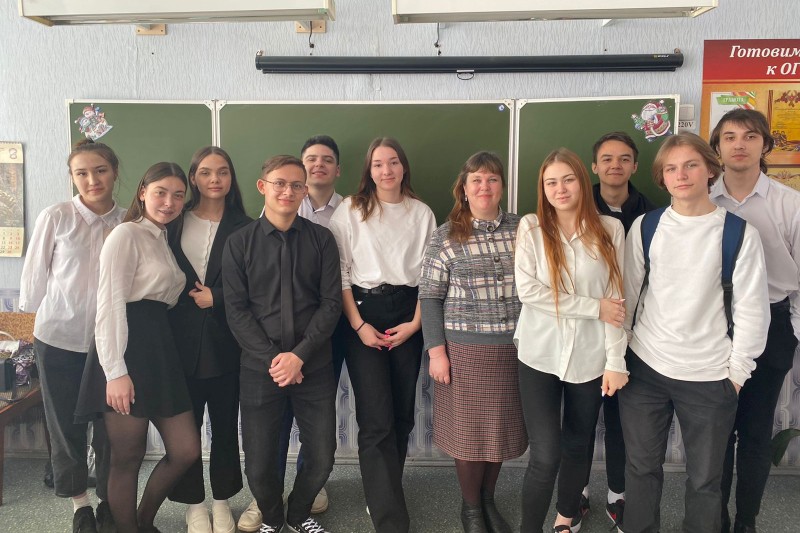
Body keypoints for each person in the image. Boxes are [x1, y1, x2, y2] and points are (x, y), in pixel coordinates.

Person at [619, 133, 770, 533]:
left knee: (705, 481)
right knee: (640, 470)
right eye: (671, 168)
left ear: (710, 170)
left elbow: (752, 311)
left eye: (690, 165)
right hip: (646, 368)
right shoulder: (646, 227)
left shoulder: (739, 233)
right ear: (662, 177)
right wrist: (619, 356)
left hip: (710, 375)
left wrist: (736, 374)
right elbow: (627, 298)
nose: (681, 175)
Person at [75, 162, 201, 533]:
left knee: (186, 450)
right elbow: (110, 304)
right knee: (127, 456)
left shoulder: (163, 239)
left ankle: (143, 520)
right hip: (127, 349)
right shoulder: (125, 234)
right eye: (161, 192)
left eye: (178, 195)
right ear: (143, 192)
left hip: (160, 350)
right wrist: (115, 372)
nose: (169, 202)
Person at [223, 155, 342, 533]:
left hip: (314, 365)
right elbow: (236, 311)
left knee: (322, 456)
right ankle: (273, 520)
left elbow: (331, 304)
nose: (287, 191)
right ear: (263, 187)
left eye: (296, 185)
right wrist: (277, 359)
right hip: (261, 368)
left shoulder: (322, 239)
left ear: (305, 190)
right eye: (279, 183)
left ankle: (298, 514)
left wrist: (299, 356)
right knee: (258, 464)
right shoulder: (239, 243)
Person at [514, 148, 628, 533]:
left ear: (582, 180)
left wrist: (616, 361)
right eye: (551, 182)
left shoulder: (610, 229)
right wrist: (594, 308)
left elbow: (617, 301)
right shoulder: (531, 228)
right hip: (539, 354)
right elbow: (529, 292)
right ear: (542, 188)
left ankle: (566, 517)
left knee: (579, 443)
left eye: (568, 180)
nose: (560, 189)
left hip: (591, 358)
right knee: (546, 454)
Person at [328, 137, 436, 533]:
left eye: (393, 162)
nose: (386, 170)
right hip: (363, 312)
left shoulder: (421, 212)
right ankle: (390, 519)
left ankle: (383, 493)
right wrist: (359, 326)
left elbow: (429, 278)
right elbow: (340, 273)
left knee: (402, 417)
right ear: (368, 170)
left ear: (404, 167)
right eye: (378, 164)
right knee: (376, 419)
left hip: (409, 313)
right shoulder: (351, 209)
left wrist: (416, 324)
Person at [19, 140, 124, 533]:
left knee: (112, 431)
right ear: (72, 177)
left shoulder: (128, 221)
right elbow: (34, 280)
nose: (92, 179)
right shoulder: (57, 216)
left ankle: (110, 501)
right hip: (58, 339)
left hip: (111, 345)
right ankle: (80, 505)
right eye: (82, 173)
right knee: (65, 427)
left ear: (114, 172)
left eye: (100, 170)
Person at [419, 151, 527, 533]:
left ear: (502, 186)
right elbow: (429, 296)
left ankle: (488, 500)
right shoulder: (446, 235)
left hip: (514, 350)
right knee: (469, 436)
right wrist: (437, 352)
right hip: (464, 353)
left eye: (492, 179)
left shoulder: (524, 229)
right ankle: (470, 509)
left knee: (499, 433)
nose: (485, 186)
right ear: (463, 189)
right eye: (476, 180)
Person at [709, 109, 800, 533]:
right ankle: (715, 519)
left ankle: (746, 521)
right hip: (714, 326)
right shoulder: (703, 199)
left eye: (749, 136)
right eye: (729, 137)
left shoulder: (789, 203)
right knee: (717, 432)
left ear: (765, 144)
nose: (739, 144)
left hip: (772, 325)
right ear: (717, 147)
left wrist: (792, 333)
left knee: (756, 431)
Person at [165, 147, 251, 533]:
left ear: (231, 178)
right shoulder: (172, 220)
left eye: (222, 171)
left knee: (224, 425)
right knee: (184, 430)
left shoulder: (246, 226)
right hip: (177, 342)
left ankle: (221, 500)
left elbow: (257, 284)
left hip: (228, 342)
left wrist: (218, 296)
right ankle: (193, 504)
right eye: (205, 172)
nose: (214, 179)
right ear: (193, 178)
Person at [580, 131, 658, 529]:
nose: (615, 165)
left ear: (635, 165)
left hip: (634, 334)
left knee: (620, 420)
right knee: (579, 419)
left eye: (624, 158)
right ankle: (576, 492)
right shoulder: (574, 206)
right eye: (607, 158)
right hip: (583, 331)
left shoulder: (653, 216)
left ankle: (617, 494)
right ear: (594, 166)